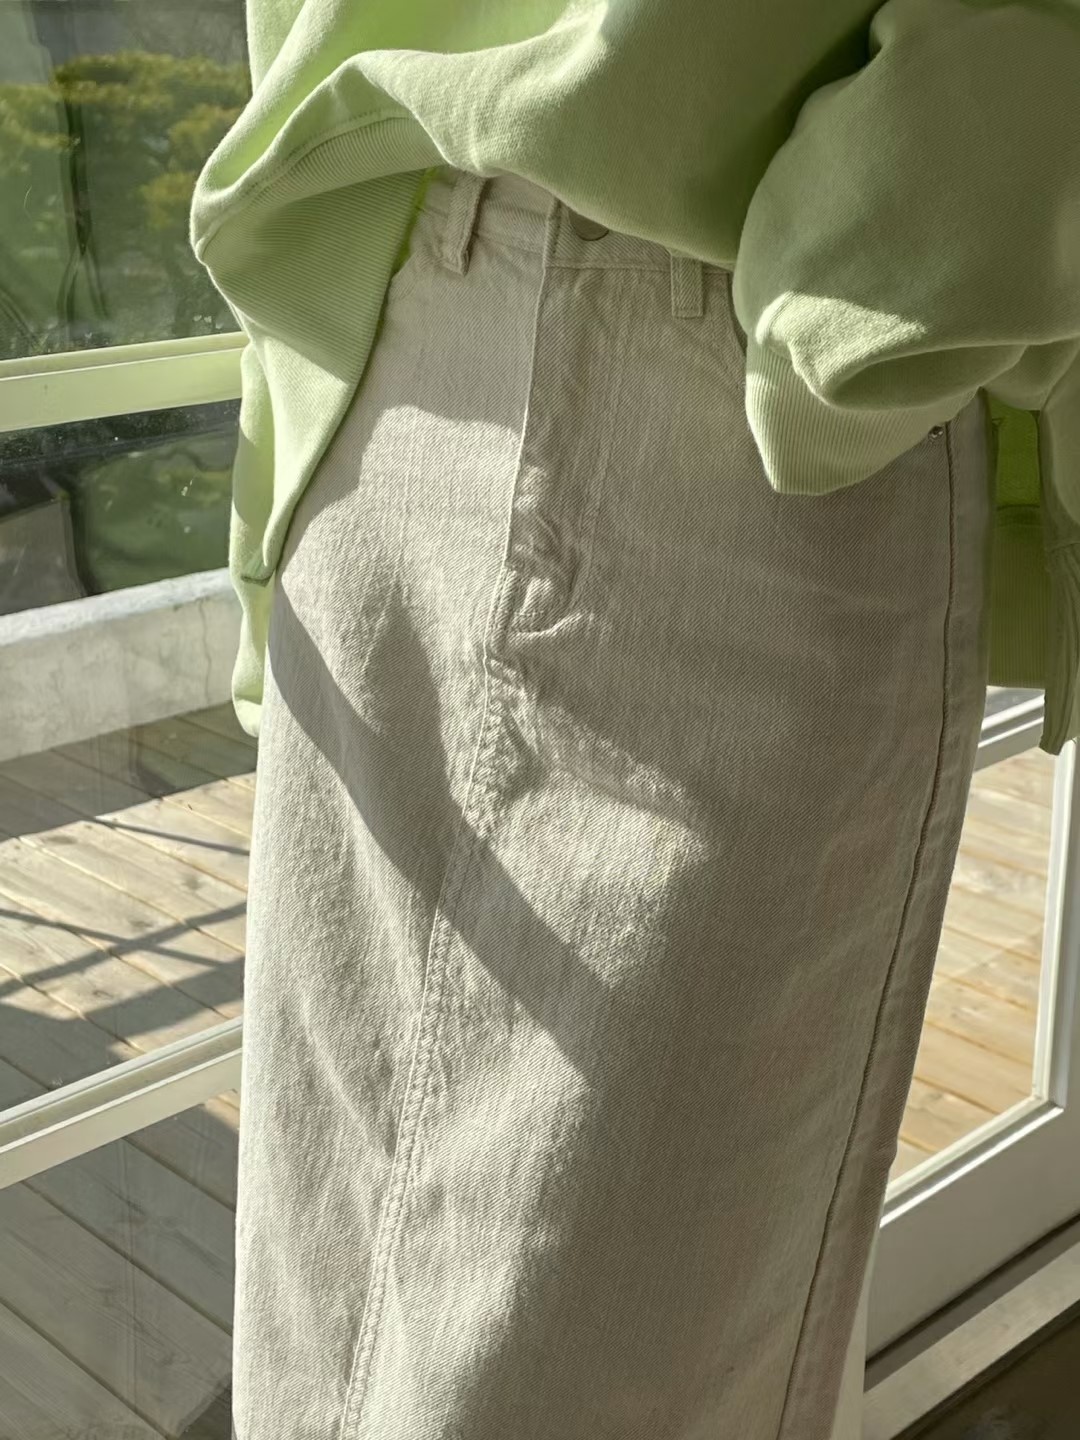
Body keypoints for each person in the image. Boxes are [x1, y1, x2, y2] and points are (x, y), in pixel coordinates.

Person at [190, 3, 1080, 1437]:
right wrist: (869, 314)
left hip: (399, 326)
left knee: (337, 1343)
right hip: (721, 390)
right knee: (634, 1370)